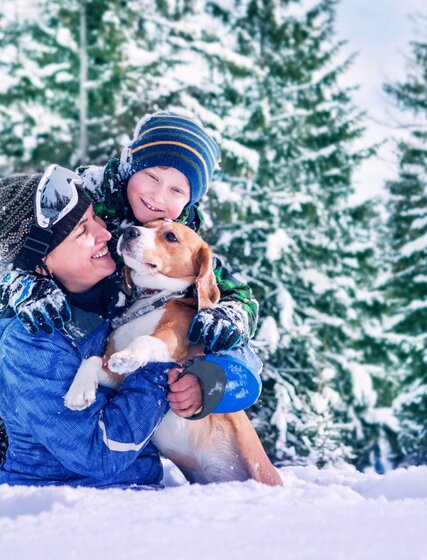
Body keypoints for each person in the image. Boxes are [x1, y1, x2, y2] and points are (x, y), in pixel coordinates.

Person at [0, 168, 262, 488]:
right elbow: (98, 456)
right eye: (83, 230)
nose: (108, 234)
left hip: (139, 491)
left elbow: (238, 353)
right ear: (40, 265)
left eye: (96, 218)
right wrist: (161, 368)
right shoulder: (31, 336)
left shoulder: (125, 292)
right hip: (65, 502)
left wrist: (210, 378)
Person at [0, 112, 258, 360]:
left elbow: (234, 294)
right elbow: (22, 244)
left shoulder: (181, 236)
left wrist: (231, 320)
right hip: (79, 335)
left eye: (177, 190)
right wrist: (23, 285)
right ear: (131, 167)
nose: (158, 196)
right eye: (151, 176)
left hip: (129, 341)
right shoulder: (87, 199)